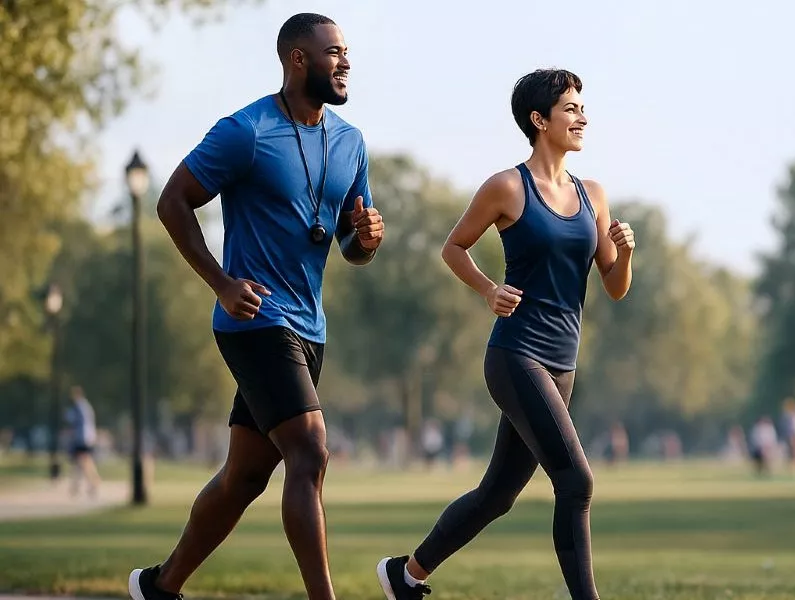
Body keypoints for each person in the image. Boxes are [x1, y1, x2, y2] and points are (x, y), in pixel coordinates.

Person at [127, 13, 383, 600]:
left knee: (244, 477)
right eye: (333, 53)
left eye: (347, 52)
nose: (345, 63)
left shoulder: (350, 142)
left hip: (310, 326)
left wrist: (366, 239)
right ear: (297, 59)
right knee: (310, 450)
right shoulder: (246, 131)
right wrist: (220, 282)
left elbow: (349, 245)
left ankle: (161, 586)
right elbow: (172, 201)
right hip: (255, 319)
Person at [376, 68, 634, 600]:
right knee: (577, 481)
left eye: (582, 108)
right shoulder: (507, 187)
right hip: (516, 354)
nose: (582, 117)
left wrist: (625, 253)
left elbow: (614, 286)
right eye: (570, 108)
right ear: (539, 120)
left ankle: (405, 575)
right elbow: (453, 247)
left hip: (562, 364)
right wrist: (488, 289)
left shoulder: (593, 195)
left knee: (497, 495)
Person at [64, 386, 102, 498]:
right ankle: (77, 485)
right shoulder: (86, 406)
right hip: (87, 437)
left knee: (82, 461)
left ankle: (90, 482)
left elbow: (71, 418)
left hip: (82, 438)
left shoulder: (79, 407)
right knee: (82, 461)